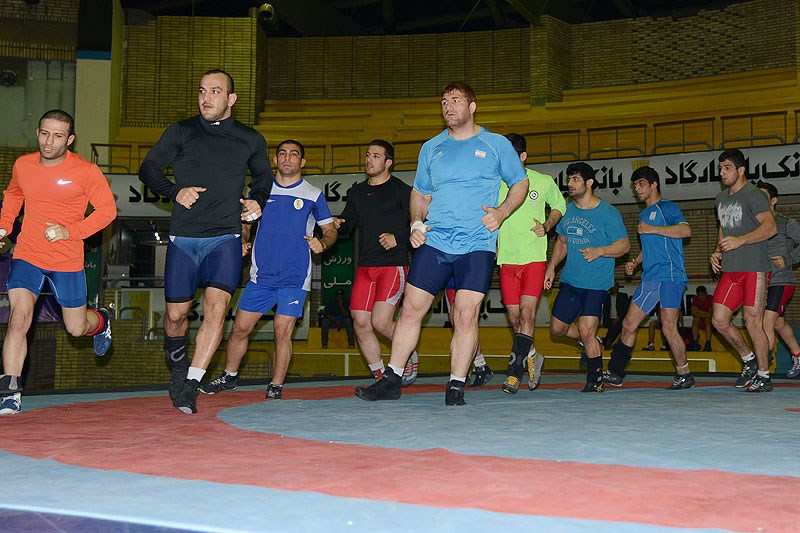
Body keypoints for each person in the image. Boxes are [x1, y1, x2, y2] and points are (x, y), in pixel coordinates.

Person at [354, 81, 528, 405]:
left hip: (476, 244)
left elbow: (520, 182)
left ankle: (456, 385)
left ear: (472, 107)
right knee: (410, 309)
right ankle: (392, 379)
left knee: (465, 314)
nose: (449, 106)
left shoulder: (496, 144)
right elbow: (420, 192)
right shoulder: (431, 147)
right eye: (444, 101)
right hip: (435, 241)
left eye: (456, 100)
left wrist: (502, 212)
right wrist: (416, 222)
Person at [139, 69, 273, 414]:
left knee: (217, 309)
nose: (206, 98)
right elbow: (148, 168)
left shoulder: (249, 138)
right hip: (184, 238)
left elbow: (263, 176)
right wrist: (174, 191)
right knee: (175, 316)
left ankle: (192, 383)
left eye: (215, 91)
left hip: (225, 236)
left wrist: (257, 199)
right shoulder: (181, 131)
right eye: (202, 91)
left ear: (231, 99)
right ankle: (179, 367)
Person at [199, 140, 336, 400]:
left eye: (293, 154)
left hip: (295, 277)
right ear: (275, 159)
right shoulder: (260, 190)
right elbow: (246, 225)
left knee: (281, 331)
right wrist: (242, 239)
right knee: (239, 329)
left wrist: (323, 242)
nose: (287, 158)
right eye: (282, 153)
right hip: (261, 277)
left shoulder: (313, 194)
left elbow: (330, 230)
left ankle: (276, 385)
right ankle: (229, 377)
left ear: (302, 162)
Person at [0, 109, 116, 415]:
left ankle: (101, 320)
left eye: (58, 136)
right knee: (18, 319)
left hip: (67, 260)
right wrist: (4, 226)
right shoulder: (24, 165)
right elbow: (13, 195)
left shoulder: (86, 171)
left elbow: (107, 211)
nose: (49, 142)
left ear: (70, 139)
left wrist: (70, 231)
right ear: (37, 132)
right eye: (44, 133)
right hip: (28, 254)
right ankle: (10, 392)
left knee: (76, 329)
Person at [333, 140, 418, 384]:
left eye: (376, 156)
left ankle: (408, 352)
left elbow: (423, 223)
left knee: (380, 322)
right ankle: (380, 377)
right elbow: (348, 225)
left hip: (392, 265)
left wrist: (398, 238)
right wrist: (338, 224)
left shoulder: (402, 190)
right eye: (368, 155)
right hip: (365, 266)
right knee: (360, 323)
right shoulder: (357, 192)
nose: (369, 160)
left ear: (388, 162)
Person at [602, 166, 693, 389]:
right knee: (628, 324)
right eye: (635, 185)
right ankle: (615, 372)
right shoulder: (644, 214)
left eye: (641, 184)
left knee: (668, 327)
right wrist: (636, 261)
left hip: (670, 275)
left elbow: (685, 231)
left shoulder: (668, 208)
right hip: (650, 278)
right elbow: (651, 246)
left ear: (654, 184)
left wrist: (654, 229)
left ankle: (684, 374)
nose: (637, 189)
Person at [544, 162, 629, 393]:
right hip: (571, 281)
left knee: (586, 329)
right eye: (569, 179)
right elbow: (562, 243)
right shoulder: (567, 211)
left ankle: (595, 379)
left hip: (596, 284)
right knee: (557, 328)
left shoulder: (608, 213)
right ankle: (589, 342)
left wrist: (600, 251)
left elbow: (624, 245)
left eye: (575, 179)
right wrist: (551, 267)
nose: (570, 184)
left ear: (589, 183)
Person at [497, 133, 565, 393]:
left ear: (523, 156)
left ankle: (514, 374)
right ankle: (534, 355)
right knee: (515, 319)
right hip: (506, 261)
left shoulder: (542, 181)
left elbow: (560, 205)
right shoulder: (495, 183)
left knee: (527, 314)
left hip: (534, 259)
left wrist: (547, 225)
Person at [710, 149, 776, 392]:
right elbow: (724, 227)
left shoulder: (754, 194)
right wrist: (717, 250)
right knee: (719, 320)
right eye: (720, 168)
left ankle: (764, 375)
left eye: (727, 167)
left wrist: (741, 240)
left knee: (752, 321)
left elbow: (770, 228)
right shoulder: (721, 198)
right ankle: (749, 360)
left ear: (740, 170)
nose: (722, 172)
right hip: (731, 269)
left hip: (754, 268)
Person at [756, 181, 800, 378]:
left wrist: (787, 259)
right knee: (777, 323)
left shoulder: (786, 223)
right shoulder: (755, 225)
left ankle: (762, 368)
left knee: (766, 321)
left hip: (781, 280)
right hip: (761, 281)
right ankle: (798, 355)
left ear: (773, 200)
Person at [601, 281, 630, 350]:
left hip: (620, 319)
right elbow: (605, 310)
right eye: (613, 286)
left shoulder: (623, 296)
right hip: (610, 319)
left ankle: (607, 341)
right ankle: (608, 342)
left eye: (616, 286)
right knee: (613, 329)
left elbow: (625, 309)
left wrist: (618, 318)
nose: (615, 288)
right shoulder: (606, 297)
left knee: (614, 329)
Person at [688, 286, 713, 351]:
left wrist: (699, 312)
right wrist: (706, 314)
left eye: (703, 295)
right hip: (701, 322)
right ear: (697, 295)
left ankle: (708, 343)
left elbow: (711, 315)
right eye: (699, 295)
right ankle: (695, 343)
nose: (701, 297)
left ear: (706, 294)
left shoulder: (711, 298)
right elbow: (694, 313)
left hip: (711, 323)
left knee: (707, 320)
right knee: (695, 320)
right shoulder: (695, 299)